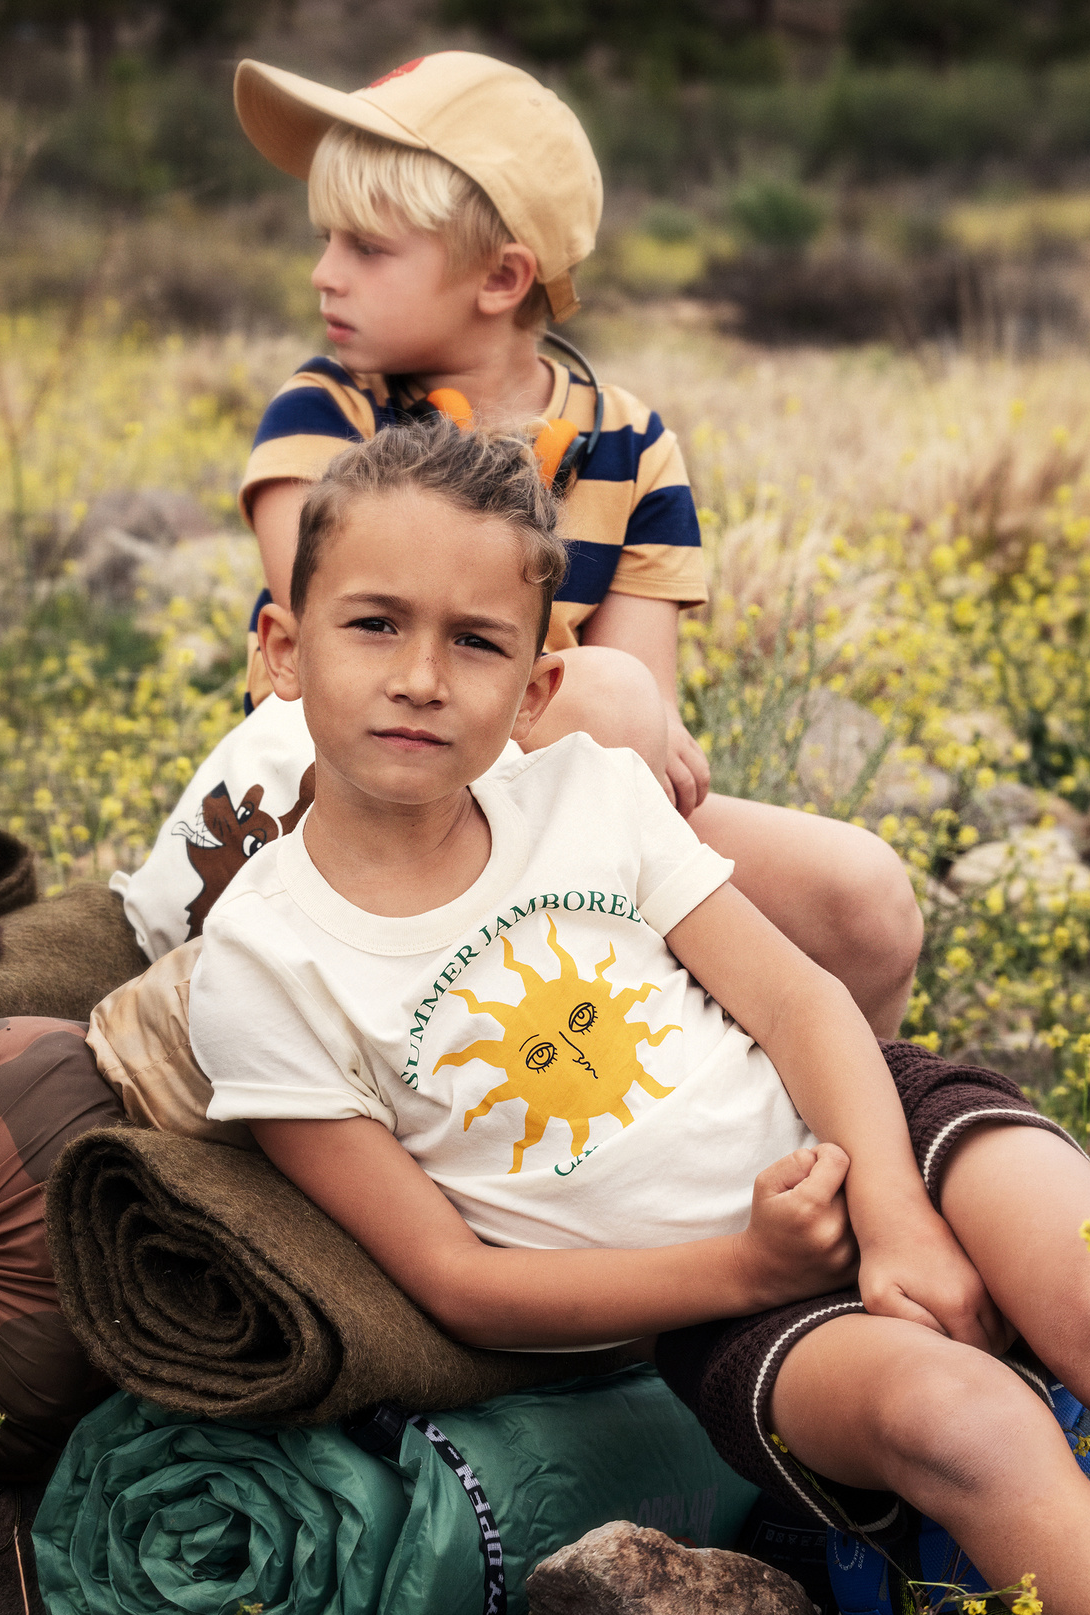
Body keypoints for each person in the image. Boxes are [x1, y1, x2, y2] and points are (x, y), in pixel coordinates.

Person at [187, 421, 1090, 1615]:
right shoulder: (266, 961)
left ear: (537, 687)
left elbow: (803, 1006)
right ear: (282, 649)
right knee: (963, 1420)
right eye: (373, 625)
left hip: (871, 1118)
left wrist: (889, 1208)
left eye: (473, 642)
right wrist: (750, 1261)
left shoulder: (584, 797)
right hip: (722, 1312)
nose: (419, 678)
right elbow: (454, 1281)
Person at [225, 48, 921, 1036]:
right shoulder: (325, 410)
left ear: (503, 277)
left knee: (865, 895)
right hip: (344, 787)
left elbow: (634, 743)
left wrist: (615, 727)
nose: (323, 273)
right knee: (604, 694)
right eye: (326, 240)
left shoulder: (629, 444)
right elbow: (343, 647)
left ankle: (839, 1135)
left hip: (544, 781)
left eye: (366, 248)